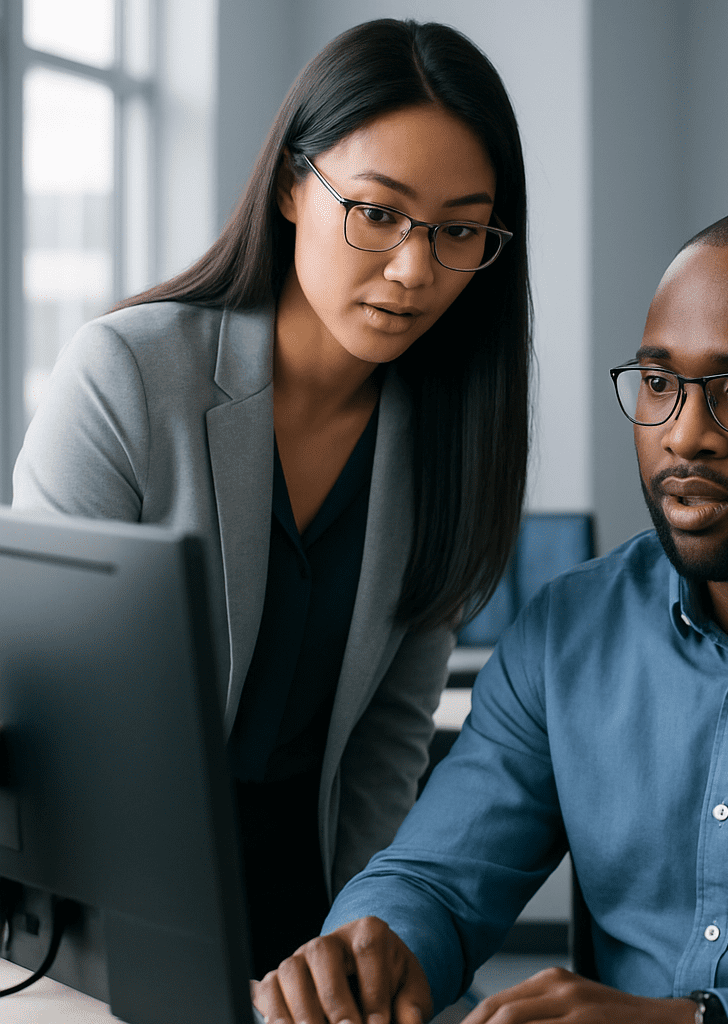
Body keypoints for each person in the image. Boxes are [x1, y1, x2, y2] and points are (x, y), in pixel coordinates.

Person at [254, 205, 728, 1024]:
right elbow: (437, 880)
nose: (685, 437)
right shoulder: (569, 630)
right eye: (658, 385)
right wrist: (369, 954)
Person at [11, 19, 531, 976]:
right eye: (377, 212)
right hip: (107, 911)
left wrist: (357, 946)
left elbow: (387, 743)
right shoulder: (126, 376)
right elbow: (50, 718)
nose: (414, 270)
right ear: (294, 186)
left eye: (459, 230)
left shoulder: (452, 439)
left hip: (310, 912)